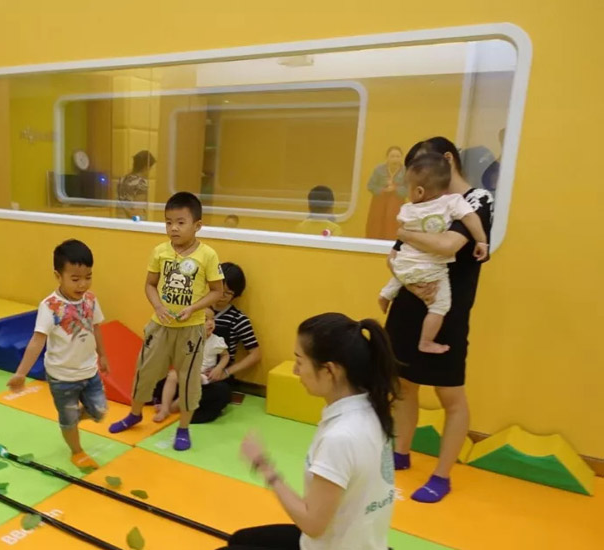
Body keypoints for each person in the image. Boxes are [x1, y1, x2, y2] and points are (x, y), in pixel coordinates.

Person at [220, 313, 397, 550]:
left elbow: (312, 524)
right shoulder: (372, 407)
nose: (295, 370)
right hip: (359, 541)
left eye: (300, 361)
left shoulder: (341, 437)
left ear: (329, 370)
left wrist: (265, 468)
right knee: (240, 540)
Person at [386, 137, 494, 504]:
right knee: (403, 385)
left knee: (451, 395)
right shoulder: (421, 204)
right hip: (408, 305)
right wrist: (406, 273)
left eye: (423, 168)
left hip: (447, 311)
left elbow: (448, 245)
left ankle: (441, 475)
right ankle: (400, 452)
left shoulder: (476, 200)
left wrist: (405, 232)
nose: (419, 181)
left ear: (446, 160)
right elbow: (394, 256)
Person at [109, 191, 224, 450]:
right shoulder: (160, 251)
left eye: (181, 222)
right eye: (168, 222)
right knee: (144, 371)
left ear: (197, 225)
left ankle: (183, 428)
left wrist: (193, 308)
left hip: (191, 330)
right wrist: (158, 306)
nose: (173, 228)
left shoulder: (208, 255)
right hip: (159, 326)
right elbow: (150, 284)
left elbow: (217, 291)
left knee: (188, 379)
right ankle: (135, 413)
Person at [7, 240, 109, 470]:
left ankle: (70, 418)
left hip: (89, 370)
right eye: (75, 279)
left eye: (88, 277)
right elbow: (37, 341)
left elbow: (96, 327)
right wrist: (21, 373)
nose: (83, 284)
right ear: (58, 276)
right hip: (61, 377)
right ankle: (77, 451)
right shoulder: (50, 306)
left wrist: (102, 355)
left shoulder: (90, 300)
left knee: (100, 411)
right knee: (69, 418)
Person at [378, 154, 489, 354]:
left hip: (404, 264)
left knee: (403, 271)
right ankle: (426, 342)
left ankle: (386, 294)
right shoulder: (453, 202)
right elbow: (470, 218)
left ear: (419, 191)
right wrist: (481, 240)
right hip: (431, 269)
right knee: (440, 306)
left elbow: (401, 236)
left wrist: (406, 234)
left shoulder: (407, 209)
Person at [153, 309, 228, 422]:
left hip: (203, 375)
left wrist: (219, 368)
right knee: (172, 375)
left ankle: (173, 407)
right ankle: (165, 408)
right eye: (205, 320)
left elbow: (225, 356)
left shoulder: (217, 341)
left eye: (212, 319)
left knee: (192, 382)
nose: (210, 323)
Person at [365, 146, 407, 240]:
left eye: (398, 156)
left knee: (393, 228)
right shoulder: (379, 169)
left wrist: (395, 189)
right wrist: (383, 190)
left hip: (396, 205)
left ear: (401, 158)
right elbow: (370, 186)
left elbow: (408, 190)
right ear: (387, 158)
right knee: (376, 227)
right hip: (379, 204)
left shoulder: (406, 171)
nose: (395, 159)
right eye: (392, 156)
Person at [116, 150, 156, 219]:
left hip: (120, 221)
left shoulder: (121, 180)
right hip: (134, 222)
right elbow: (136, 213)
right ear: (146, 167)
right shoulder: (141, 183)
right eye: (150, 168)